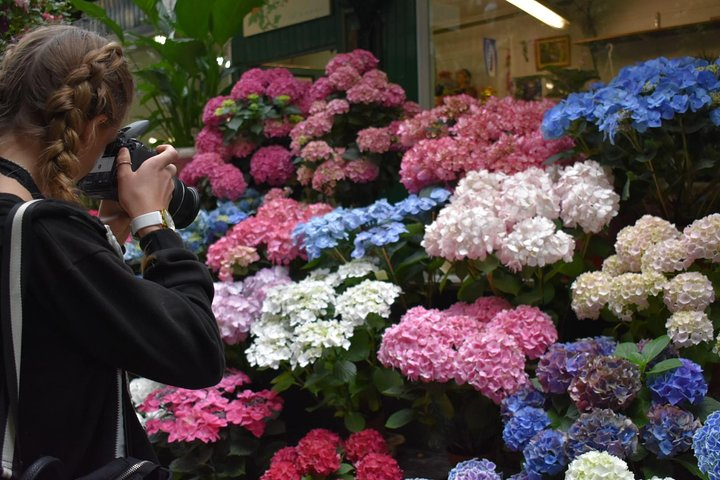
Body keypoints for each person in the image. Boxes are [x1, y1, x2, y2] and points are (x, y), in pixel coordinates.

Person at [0, 25, 224, 476]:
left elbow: (48, 316)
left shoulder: (40, 233)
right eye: (109, 140)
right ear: (93, 125)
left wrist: (105, 235)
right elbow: (196, 350)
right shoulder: (45, 232)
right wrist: (153, 223)